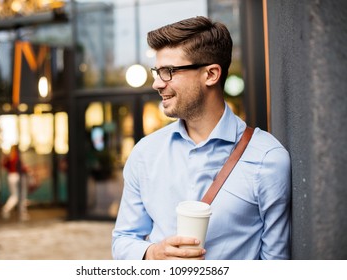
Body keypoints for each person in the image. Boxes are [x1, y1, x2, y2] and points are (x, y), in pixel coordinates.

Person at [112, 16, 291, 260]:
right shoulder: (145, 153)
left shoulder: (268, 159)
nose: (156, 83)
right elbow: (123, 239)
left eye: (168, 72)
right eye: (157, 71)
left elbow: (276, 266)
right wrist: (152, 254)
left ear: (211, 74)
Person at [1, 144, 30, 221]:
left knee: (16, 196)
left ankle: (8, 209)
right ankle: (21, 213)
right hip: (17, 176)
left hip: (11, 176)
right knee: (20, 196)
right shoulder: (15, 157)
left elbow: (4, 165)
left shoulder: (9, 157)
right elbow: (22, 168)